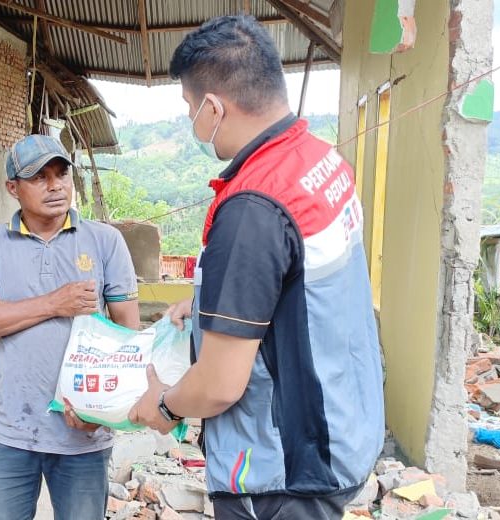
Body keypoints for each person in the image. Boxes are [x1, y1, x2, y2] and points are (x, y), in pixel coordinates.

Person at [128, 15, 384, 520]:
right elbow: (297, 286)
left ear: (212, 107)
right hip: (344, 429)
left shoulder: (253, 208)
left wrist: (162, 406)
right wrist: (206, 304)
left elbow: (221, 385)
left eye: (189, 108)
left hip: (281, 472)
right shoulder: (318, 159)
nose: (193, 123)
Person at [0, 134, 140, 520]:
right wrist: (54, 303)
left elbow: (130, 340)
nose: (55, 186)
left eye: (61, 174)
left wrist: (102, 412)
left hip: (82, 435)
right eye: (39, 177)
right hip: (8, 431)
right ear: (13, 188)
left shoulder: (105, 242)